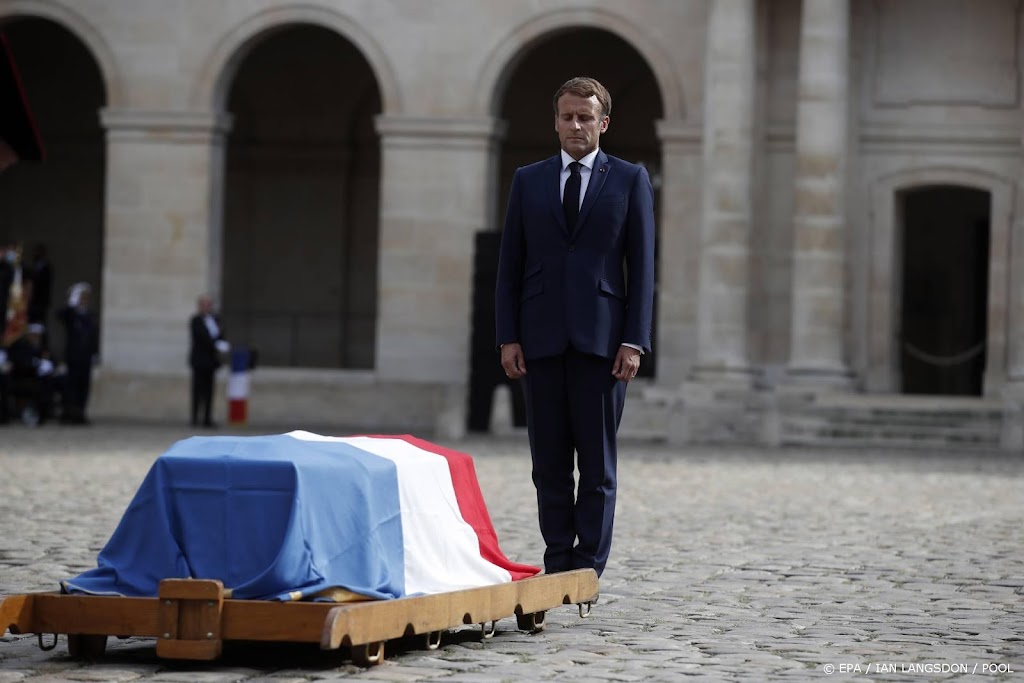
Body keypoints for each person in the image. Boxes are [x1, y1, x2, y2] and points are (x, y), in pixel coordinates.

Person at [494, 77, 656, 578]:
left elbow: (644, 266)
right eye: (567, 116)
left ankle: (588, 567)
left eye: (585, 117)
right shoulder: (529, 179)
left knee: (597, 466)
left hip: (603, 344)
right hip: (539, 340)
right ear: (556, 121)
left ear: (603, 123)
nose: (575, 125)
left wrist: (634, 340)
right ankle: (557, 558)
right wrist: (507, 335)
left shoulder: (629, 179)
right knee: (548, 464)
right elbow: (510, 265)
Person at [57, 282, 98, 424]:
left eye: (86, 298)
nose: (84, 301)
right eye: (81, 298)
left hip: (85, 357)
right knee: (71, 386)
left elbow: (94, 336)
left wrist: (94, 352)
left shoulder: (90, 315)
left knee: (83, 387)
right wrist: (71, 303)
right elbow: (60, 315)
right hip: (72, 356)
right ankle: (69, 413)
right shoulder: (71, 314)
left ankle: (80, 413)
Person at [189, 294, 229, 428]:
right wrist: (215, 344)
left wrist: (222, 343)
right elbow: (201, 337)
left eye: (208, 304)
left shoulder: (216, 319)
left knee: (209, 391)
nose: (206, 307)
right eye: (204, 304)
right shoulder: (196, 320)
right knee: (197, 390)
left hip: (211, 361)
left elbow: (221, 333)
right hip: (199, 360)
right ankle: (195, 418)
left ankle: (207, 418)